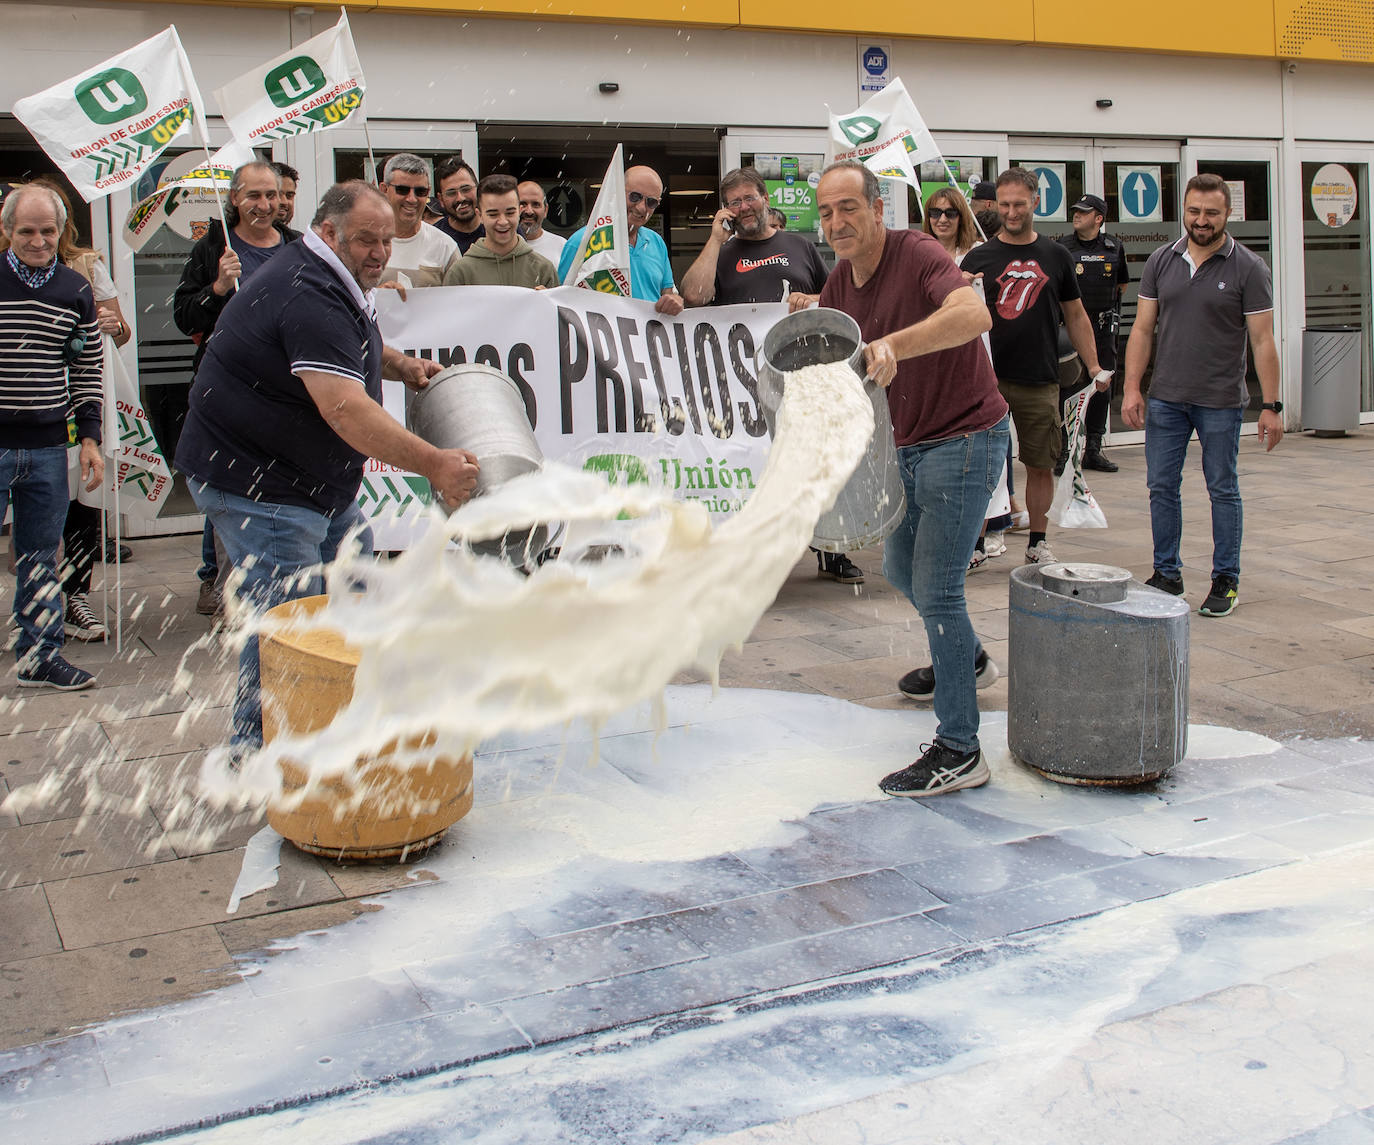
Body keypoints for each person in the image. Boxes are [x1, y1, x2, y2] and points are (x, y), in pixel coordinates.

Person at [175, 180, 481, 753]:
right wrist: (434, 463)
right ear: (328, 231)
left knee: (354, 582)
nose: (380, 253)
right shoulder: (308, 292)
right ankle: (264, 748)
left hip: (308, 479)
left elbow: (352, 347)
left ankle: (343, 708)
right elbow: (345, 409)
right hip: (258, 481)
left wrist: (398, 364)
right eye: (367, 240)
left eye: (387, 241)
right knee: (290, 620)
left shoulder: (330, 273)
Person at [811, 159, 1008, 798]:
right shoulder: (841, 279)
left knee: (939, 586)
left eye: (848, 207)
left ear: (877, 210)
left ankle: (960, 750)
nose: (837, 222)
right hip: (909, 443)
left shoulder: (917, 249)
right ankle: (969, 659)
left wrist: (895, 343)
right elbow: (839, 358)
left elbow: (973, 315)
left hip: (966, 436)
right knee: (899, 569)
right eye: (826, 212)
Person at [681, 166, 860, 584]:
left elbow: (838, 298)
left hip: (802, 373)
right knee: (750, 463)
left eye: (749, 198)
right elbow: (693, 297)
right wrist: (713, 240)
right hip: (742, 383)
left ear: (764, 197)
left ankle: (830, 547)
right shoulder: (722, 255)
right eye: (734, 202)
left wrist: (811, 297)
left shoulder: (798, 245)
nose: (744, 207)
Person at [1122, 173, 1282, 618]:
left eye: (1211, 212)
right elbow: (1141, 327)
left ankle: (1225, 579)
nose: (1201, 220)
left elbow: (1263, 341)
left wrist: (1271, 406)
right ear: (1184, 212)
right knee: (1160, 487)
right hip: (1167, 398)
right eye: (1194, 211)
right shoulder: (1160, 260)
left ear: (1227, 213)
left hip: (1220, 400)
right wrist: (1133, 386)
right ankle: (1166, 574)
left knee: (1222, 489)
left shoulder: (1249, 266)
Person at [961, 168, 1110, 566]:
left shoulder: (1056, 255)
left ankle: (1037, 542)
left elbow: (1076, 316)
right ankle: (975, 546)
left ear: (1035, 203)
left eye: (1019, 204)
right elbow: (956, 316)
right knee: (981, 468)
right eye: (1005, 204)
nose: (1011, 212)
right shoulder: (979, 257)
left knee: (1040, 463)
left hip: (1039, 376)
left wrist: (1094, 366)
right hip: (985, 379)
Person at [173, 160, 300, 618]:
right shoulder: (214, 247)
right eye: (254, 196)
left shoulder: (298, 246)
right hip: (227, 391)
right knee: (231, 485)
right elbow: (185, 316)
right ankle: (228, 586)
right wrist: (219, 286)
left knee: (279, 486)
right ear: (234, 199)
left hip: (285, 390)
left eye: (273, 195)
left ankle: (277, 588)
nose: (266, 205)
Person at [0, 185, 104, 690]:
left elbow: (86, 364)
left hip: (46, 445)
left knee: (41, 554)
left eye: (48, 231)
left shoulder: (73, 288)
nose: (39, 240)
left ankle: (41, 655)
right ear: (7, 231)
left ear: (61, 231)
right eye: (27, 231)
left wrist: (90, 437)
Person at [1056, 193, 1128, 472]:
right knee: (1068, 388)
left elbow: (1121, 285)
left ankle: (1093, 449)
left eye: (1084, 212)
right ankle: (1065, 449)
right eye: (1076, 211)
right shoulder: (1063, 247)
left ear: (1099, 218)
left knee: (1102, 386)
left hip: (1102, 328)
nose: (1077, 215)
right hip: (1070, 329)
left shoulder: (1114, 247)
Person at [558, 165, 685, 315]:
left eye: (651, 202)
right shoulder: (581, 241)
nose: (641, 208)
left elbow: (668, 293)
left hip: (648, 336)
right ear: (616, 191)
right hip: (601, 336)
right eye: (635, 197)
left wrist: (675, 301)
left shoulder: (656, 242)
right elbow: (560, 299)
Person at [443, 174, 560, 288]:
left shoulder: (543, 269)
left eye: (510, 213)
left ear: (519, 211)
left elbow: (556, 307)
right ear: (480, 216)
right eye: (493, 214)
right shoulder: (460, 273)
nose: (503, 221)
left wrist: (545, 304)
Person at [378, 153, 460, 289]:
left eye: (420, 191)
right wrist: (377, 296)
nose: (411, 199)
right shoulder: (365, 243)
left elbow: (460, 302)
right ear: (384, 190)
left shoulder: (445, 247)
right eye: (402, 190)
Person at [433, 157, 484, 255]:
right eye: (451, 193)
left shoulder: (500, 229)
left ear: (478, 189)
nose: (460, 198)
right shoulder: (434, 239)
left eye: (466, 189)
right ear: (441, 199)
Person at [921, 185, 980, 265]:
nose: (943, 220)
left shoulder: (979, 252)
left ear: (961, 218)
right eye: (935, 213)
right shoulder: (918, 254)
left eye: (950, 213)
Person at [517, 180, 567, 265]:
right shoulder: (500, 246)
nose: (529, 211)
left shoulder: (562, 246)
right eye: (523, 204)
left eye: (535, 204)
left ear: (545, 210)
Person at [271, 161, 299, 229]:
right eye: (277, 194)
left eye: (289, 196)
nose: (284, 202)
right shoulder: (243, 238)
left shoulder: (300, 238)